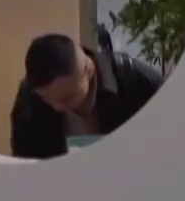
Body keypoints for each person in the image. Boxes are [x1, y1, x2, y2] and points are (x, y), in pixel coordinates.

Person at [10, 27, 163, 159]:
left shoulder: (138, 83)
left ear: (88, 69)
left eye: (68, 98)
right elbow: (26, 163)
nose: (58, 107)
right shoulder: (28, 98)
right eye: (48, 100)